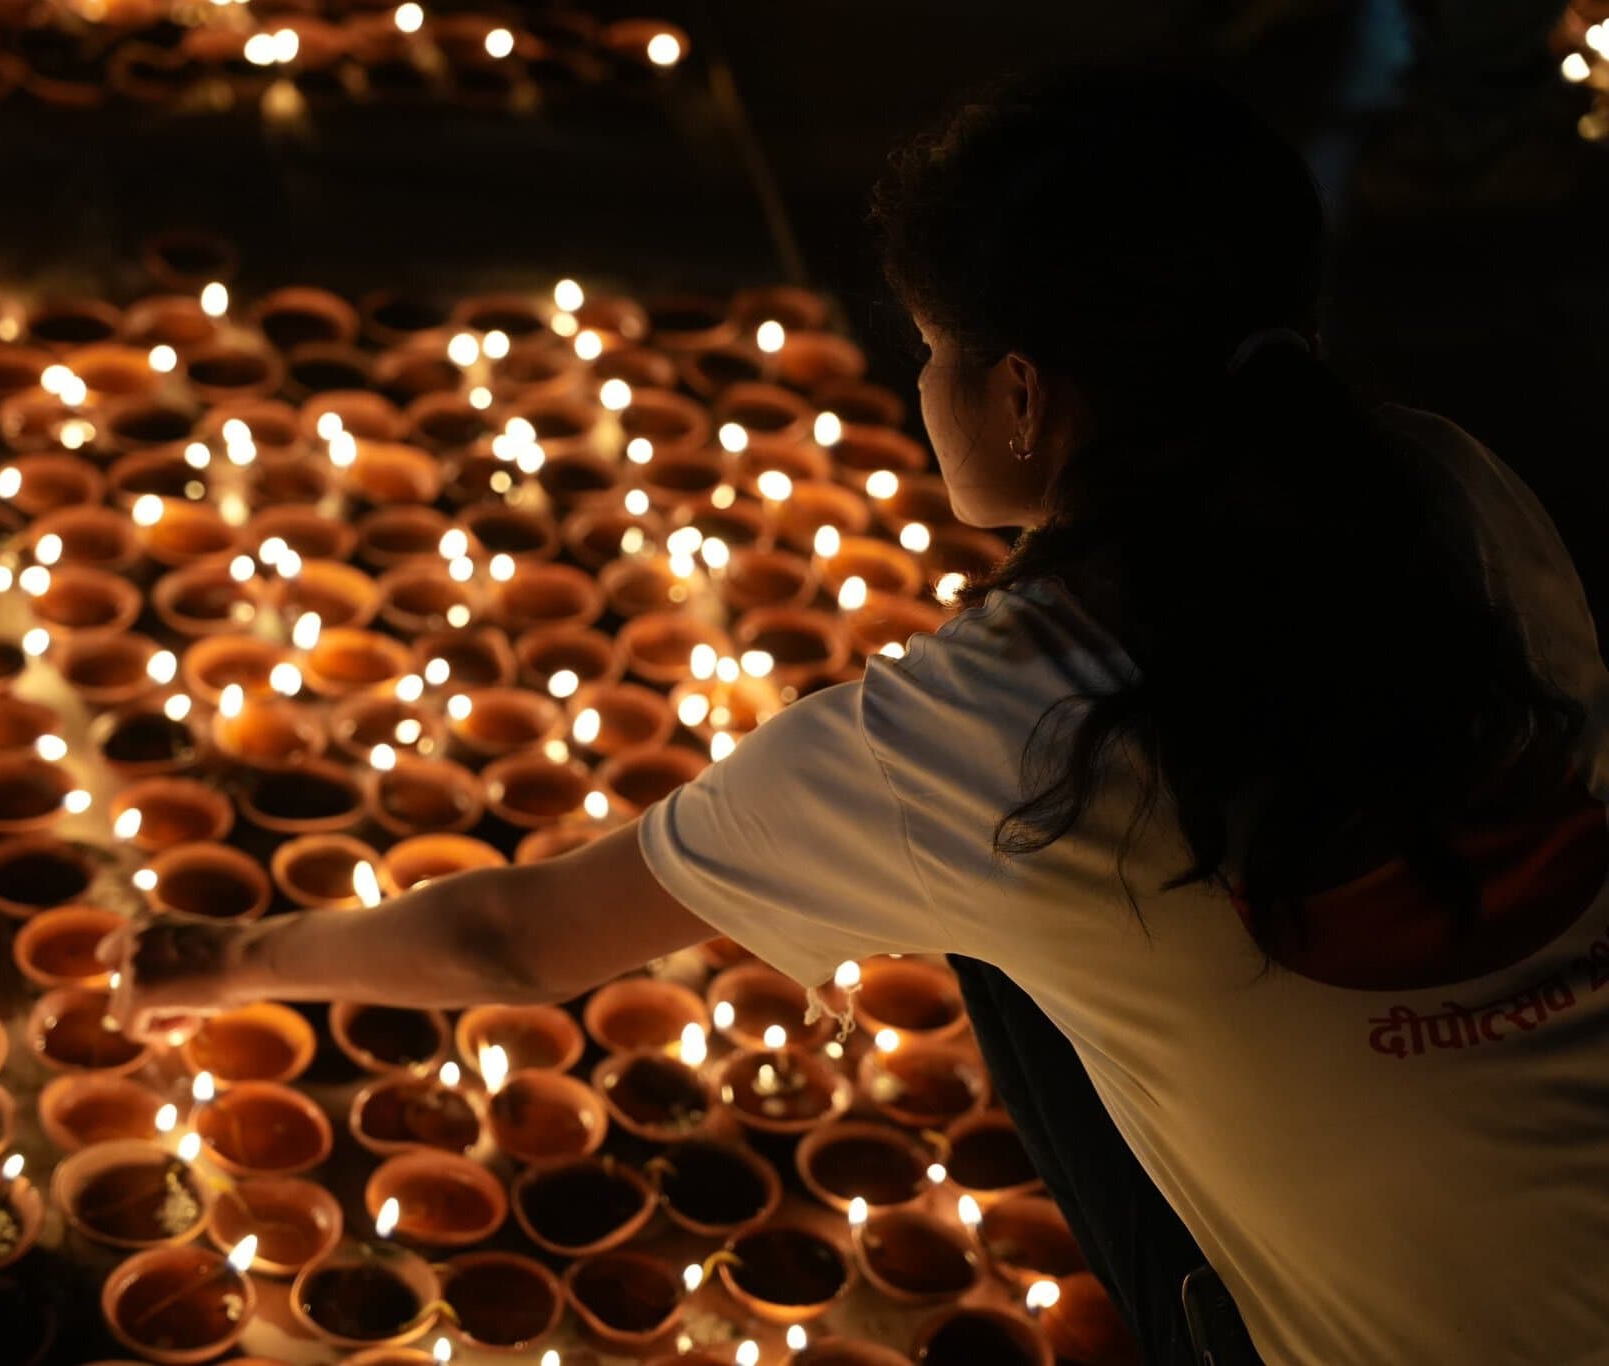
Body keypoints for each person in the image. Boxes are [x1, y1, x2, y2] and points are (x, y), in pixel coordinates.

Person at [112, 68, 1609, 1365]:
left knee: (1003, 931)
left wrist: (223, 960)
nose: (921, 385)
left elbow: (505, 940)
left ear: (1021, 395)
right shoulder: (1452, 489)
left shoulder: (994, 736)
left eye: (930, 350)